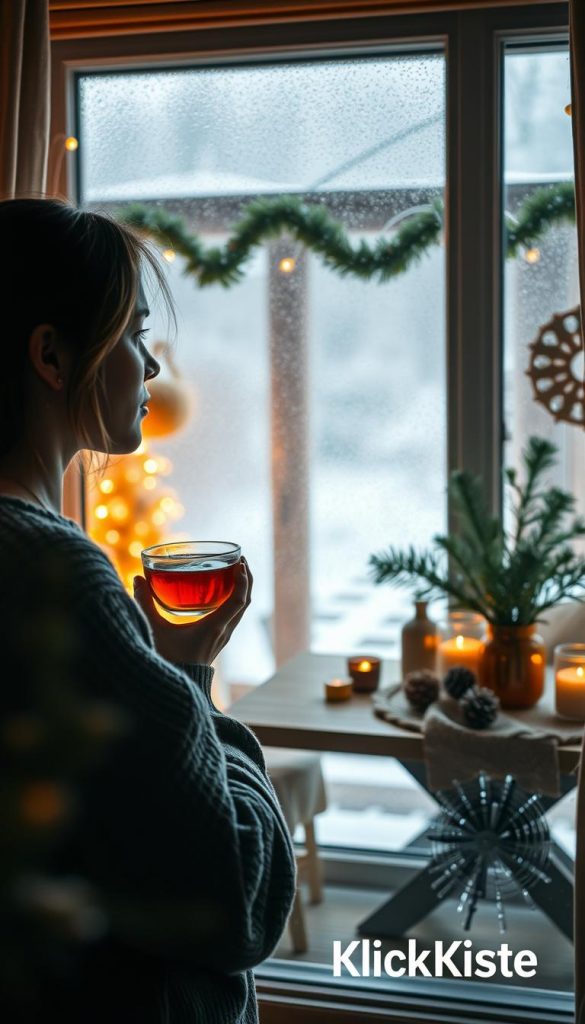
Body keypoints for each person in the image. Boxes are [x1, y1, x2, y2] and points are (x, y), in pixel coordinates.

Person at [0, 197, 296, 1022]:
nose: (151, 364)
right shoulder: (53, 574)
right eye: (133, 333)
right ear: (52, 357)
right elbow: (237, 894)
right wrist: (189, 674)